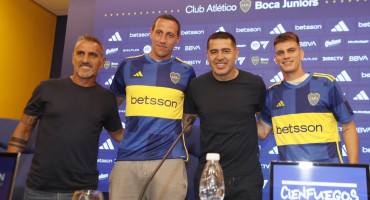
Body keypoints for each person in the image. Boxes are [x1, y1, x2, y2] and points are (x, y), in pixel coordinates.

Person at [7, 34, 124, 200]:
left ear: (102, 62)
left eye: (93, 55)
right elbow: (24, 128)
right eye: (80, 53)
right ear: (73, 58)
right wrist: (5, 170)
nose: (85, 59)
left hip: (82, 192)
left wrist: (153, 136)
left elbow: (118, 134)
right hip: (39, 190)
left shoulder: (106, 98)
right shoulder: (46, 88)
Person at [109, 14, 196, 199]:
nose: (163, 40)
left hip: (168, 160)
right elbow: (109, 107)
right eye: (159, 33)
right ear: (151, 33)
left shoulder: (187, 71)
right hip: (128, 158)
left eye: (170, 35)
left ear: (178, 39)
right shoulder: (128, 65)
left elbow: (187, 120)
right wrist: (117, 133)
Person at [183, 32, 266, 200]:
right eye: (214, 52)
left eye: (226, 51)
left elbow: (263, 129)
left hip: (247, 178)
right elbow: (186, 125)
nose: (220, 57)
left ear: (236, 53)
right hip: (209, 176)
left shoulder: (254, 83)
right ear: (207, 55)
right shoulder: (196, 86)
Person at [257, 32, 359, 164]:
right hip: (291, 175)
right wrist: (237, 113)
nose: (286, 56)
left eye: (291, 50)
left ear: (301, 53)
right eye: (280, 53)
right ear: (276, 59)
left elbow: (348, 126)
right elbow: (263, 132)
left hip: (330, 172)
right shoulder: (272, 93)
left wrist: (354, 167)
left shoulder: (326, 83)